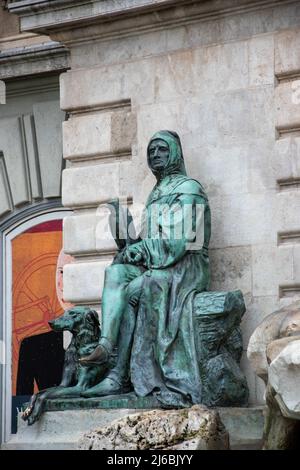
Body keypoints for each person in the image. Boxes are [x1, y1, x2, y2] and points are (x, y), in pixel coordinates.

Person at [80, 130, 211, 407]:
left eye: (162, 149)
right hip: (161, 263)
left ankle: (119, 376)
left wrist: (140, 249)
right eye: (151, 151)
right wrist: (124, 231)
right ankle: (105, 346)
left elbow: (183, 241)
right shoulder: (155, 194)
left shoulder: (190, 190)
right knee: (115, 273)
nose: (155, 155)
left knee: (136, 290)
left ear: (175, 152)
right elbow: (149, 242)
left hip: (185, 267)